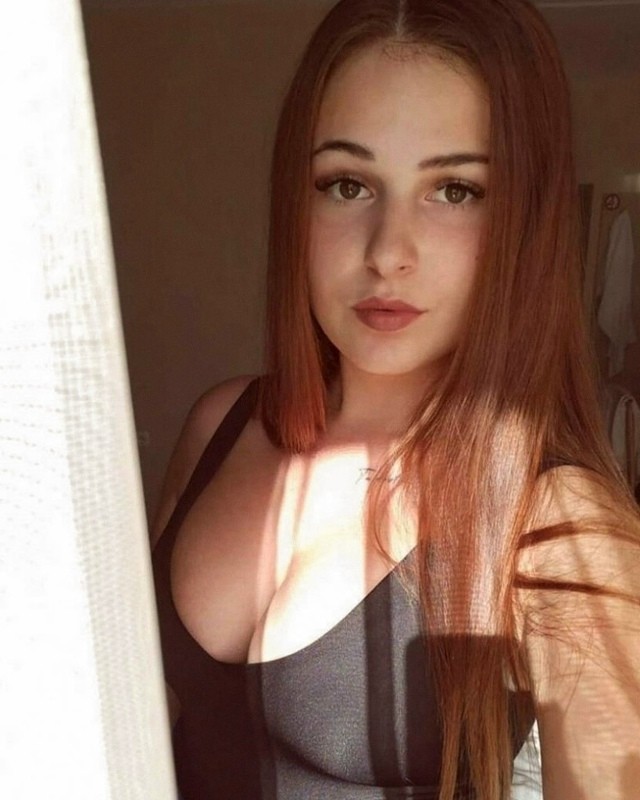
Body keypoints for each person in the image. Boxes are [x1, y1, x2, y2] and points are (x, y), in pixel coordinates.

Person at [150, 0, 640, 798]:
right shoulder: (222, 426)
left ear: (523, 221)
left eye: (456, 191)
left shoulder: (559, 522)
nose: (388, 253)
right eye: (348, 184)